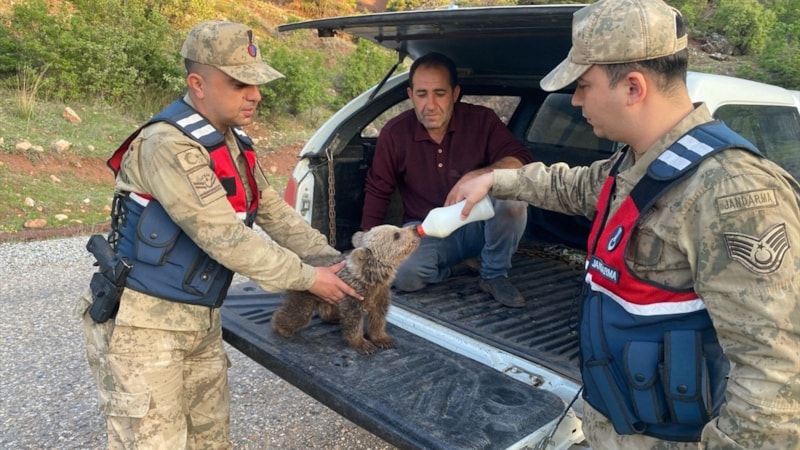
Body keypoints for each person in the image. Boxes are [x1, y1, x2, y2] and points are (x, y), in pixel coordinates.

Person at [455, 0, 800, 448]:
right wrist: (496, 180)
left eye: (584, 85)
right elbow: (578, 186)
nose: (575, 100)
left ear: (633, 87)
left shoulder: (730, 193)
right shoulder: (638, 162)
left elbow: (775, 375)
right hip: (619, 421)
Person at [74, 21, 362, 448]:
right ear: (198, 84)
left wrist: (331, 261)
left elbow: (272, 211)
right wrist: (308, 278)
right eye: (240, 84)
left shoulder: (231, 141)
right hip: (146, 329)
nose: (256, 95)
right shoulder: (167, 145)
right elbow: (224, 237)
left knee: (211, 441)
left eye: (256, 84)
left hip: (201, 319)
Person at [361, 52, 533, 308]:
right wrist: (368, 249)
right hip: (424, 229)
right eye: (422, 94)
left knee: (513, 199)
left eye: (439, 93)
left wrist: (479, 175)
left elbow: (521, 158)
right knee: (405, 275)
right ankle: (456, 269)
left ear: (455, 94)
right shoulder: (395, 133)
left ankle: (494, 274)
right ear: (410, 95)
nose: (430, 105)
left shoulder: (482, 120)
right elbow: (378, 189)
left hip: (478, 224)